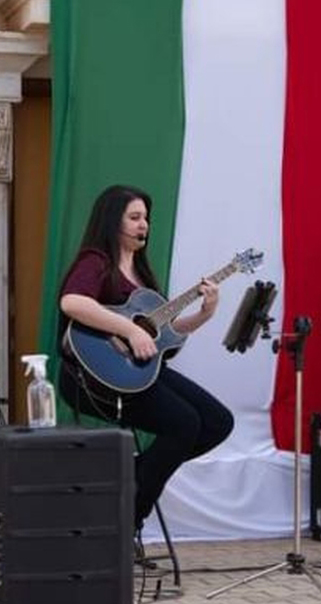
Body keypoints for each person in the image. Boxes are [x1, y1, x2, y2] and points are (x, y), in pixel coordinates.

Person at [57, 184, 234, 536]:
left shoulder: (142, 273)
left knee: (217, 422)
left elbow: (163, 333)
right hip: (96, 379)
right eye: (134, 218)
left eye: (146, 219)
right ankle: (127, 525)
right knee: (183, 424)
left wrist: (204, 313)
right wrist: (129, 329)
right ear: (112, 221)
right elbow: (73, 303)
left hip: (140, 373)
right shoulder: (96, 261)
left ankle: (133, 476)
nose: (144, 226)